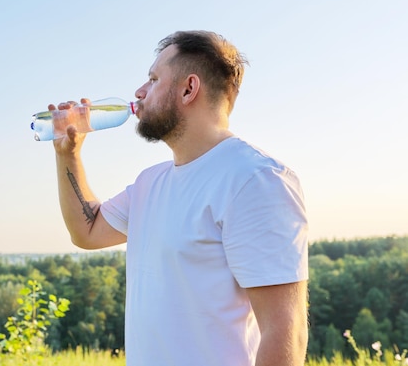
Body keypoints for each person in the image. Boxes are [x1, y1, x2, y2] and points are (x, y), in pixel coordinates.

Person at [47, 30, 309, 366]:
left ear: (189, 89)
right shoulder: (149, 183)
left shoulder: (255, 180)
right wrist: (68, 155)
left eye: (154, 79)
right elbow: (87, 231)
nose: (140, 92)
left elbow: (285, 332)